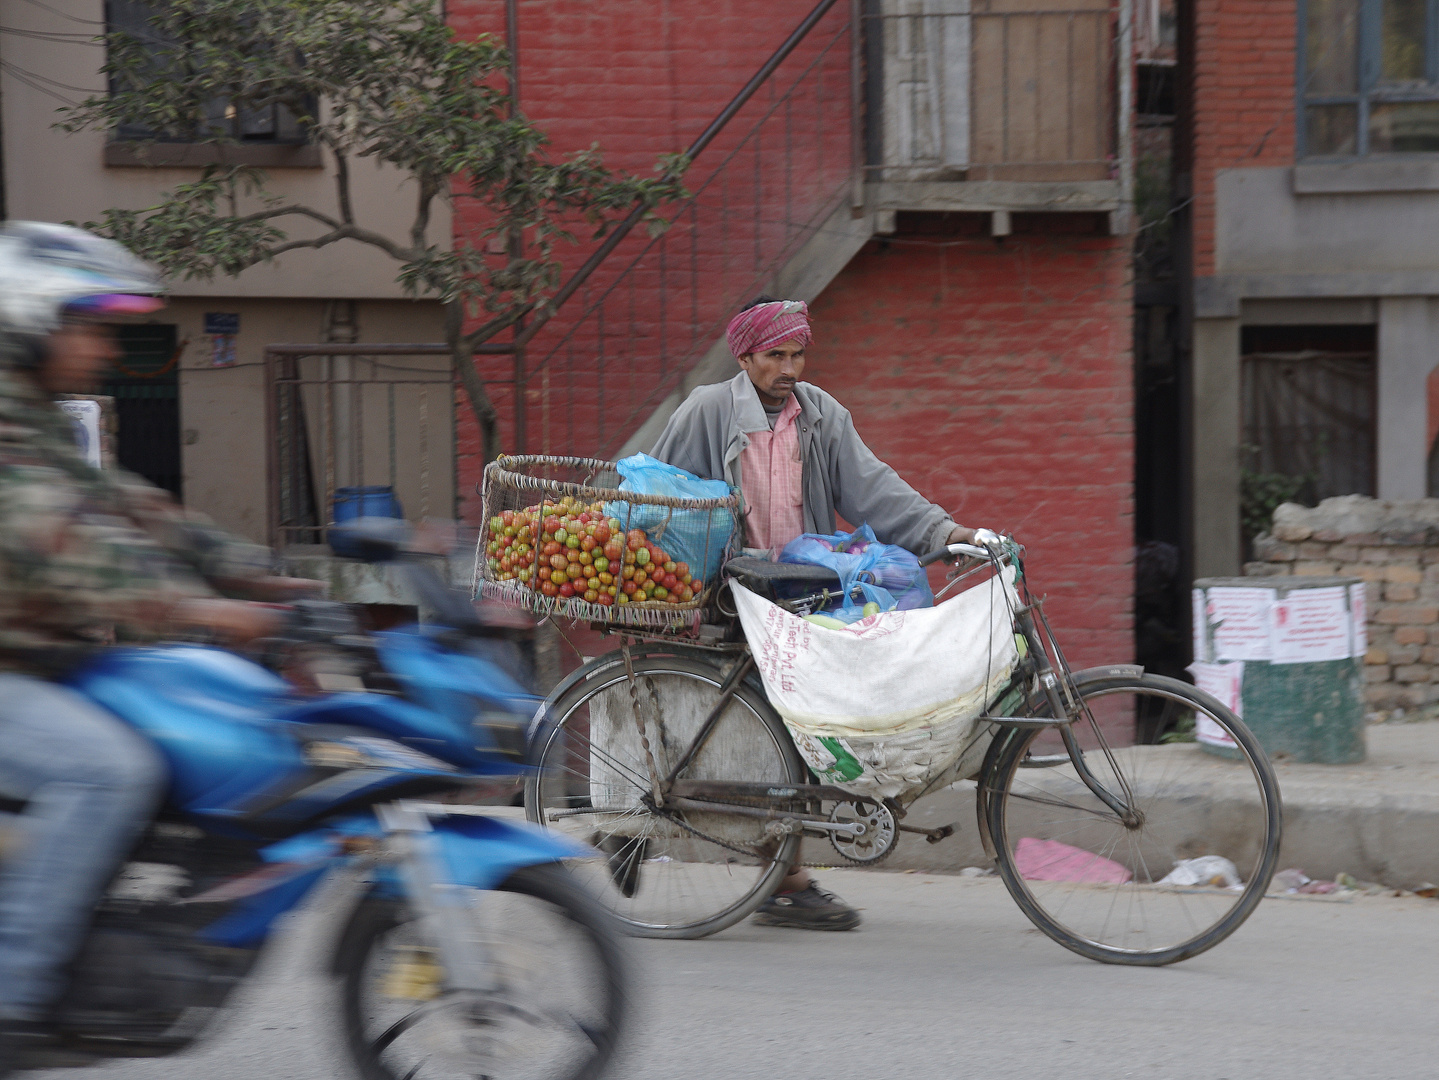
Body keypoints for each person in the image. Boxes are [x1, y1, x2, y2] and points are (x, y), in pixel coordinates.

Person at [0, 222, 312, 1062]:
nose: (103, 347)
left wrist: (263, 576)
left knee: (176, 714)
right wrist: (204, 612)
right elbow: (65, 552)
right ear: (31, 322)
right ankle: (15, 995)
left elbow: (136, 508)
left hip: (47, 663)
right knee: (109, 768)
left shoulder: (30, 420)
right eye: (87, 325)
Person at [650, 296, 981, 931]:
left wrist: (946, 532)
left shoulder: (820, 416)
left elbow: (873, 487)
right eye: (776, 354)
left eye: (797, 353)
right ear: (744, 356)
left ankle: (782, 875)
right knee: (761, 730)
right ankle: (784, 881)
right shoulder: (708, 411)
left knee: (806, 723)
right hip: (732, 593)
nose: (790, 367)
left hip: (802, 594)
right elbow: (656, 491)